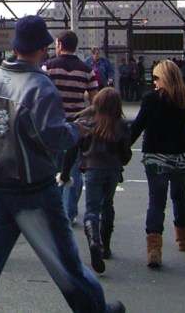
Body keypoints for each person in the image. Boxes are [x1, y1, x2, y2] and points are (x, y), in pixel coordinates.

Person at [0, 15, 124, 313]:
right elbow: (53, 136)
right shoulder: (39, 86)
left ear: (15, 47)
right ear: (43, 48)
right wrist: (76, 131)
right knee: (64, 260)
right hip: (32, 188)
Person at [129, 59, 185, 269]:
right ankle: (182, 239)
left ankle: (154, 250)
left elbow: (138, 126)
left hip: (156, 157)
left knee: (156, 202)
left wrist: (122, 148)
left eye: (156, 78)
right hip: (182, 157)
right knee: (180, 197)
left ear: (164, 78)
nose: (154, 82)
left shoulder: (151, 100)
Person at [61, 88, 132, 274]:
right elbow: (126, 155)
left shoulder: (86, 121)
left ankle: (94, 241)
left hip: (92, 168)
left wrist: (65, 173)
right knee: (107, 204)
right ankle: (105, 246)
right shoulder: (120, 125)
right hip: (113, 169)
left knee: (92, 208)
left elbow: (72, 150)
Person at [43, 30, 99, 226]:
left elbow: (41, 95)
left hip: (53, 125)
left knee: (53, 169)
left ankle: (54, 209)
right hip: (76, 126)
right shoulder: (87, 70)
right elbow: (95, 101)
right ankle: (70, 212)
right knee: (73, 168)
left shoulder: (48, 67)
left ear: (59, 44)